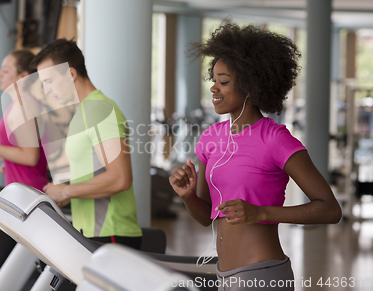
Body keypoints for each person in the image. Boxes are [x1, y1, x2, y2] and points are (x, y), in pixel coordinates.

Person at [169, 23, 342, 291]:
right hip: (222, 274)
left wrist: (261, 212)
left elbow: (330, 209)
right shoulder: (210, 138)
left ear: (251, 84)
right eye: (213, 80)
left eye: (224, 81)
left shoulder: (275, 140)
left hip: (262, 274)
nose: (214, 88)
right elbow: (206, 217)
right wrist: (188, 196)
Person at [29, 39, 143, 249]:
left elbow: (120, 178)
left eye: (49, 81)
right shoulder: (81, 113)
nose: (46, 90)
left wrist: (66, 192)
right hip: (90, 232)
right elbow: (94, 175)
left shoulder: (100, 110)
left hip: (111, 233)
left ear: (71, 74)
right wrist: (64, 191)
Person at [0, 49, 49, 282]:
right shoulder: (18, 105)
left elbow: (30, 157)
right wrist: (8, 163)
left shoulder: (25, 106)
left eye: (6, 70)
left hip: (27, 197)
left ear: (23, 76)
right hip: (18, 192)